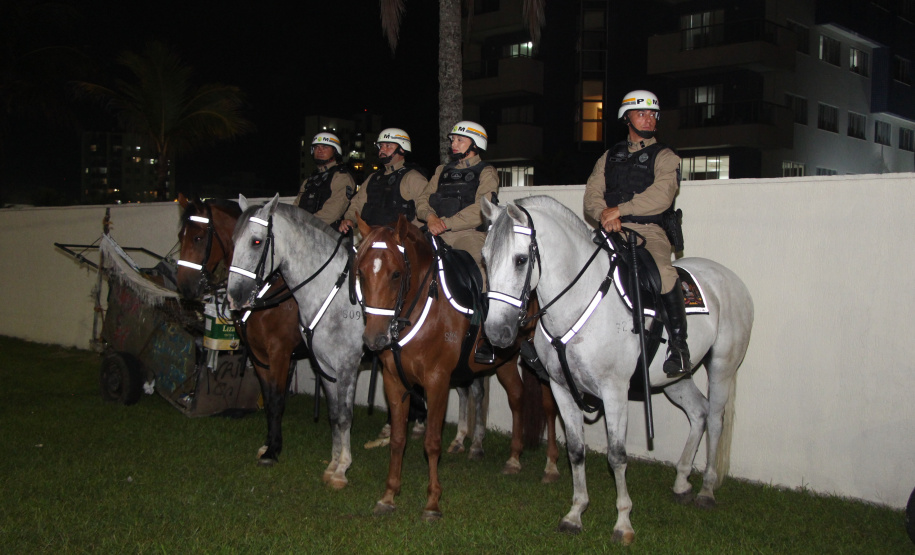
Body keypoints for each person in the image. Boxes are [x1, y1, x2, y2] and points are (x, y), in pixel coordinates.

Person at [583, 89, 690, 377]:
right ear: (626, 117)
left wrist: (620, 210)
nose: (649, 119)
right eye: (642, 113)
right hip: (610, 227)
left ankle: (679, 345)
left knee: (665, 272)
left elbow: (661, 197)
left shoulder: (666, 156)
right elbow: (592, 194)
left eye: (653, 114)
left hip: (649, 230)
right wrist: (604, 215)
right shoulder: (609, 156)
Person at [415, 120, 498, 364]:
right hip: (434, 229)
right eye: (453, 139)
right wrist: (430, 216)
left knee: (482, 271)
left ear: (476, 143)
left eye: (459, 140)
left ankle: (485, 336)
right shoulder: (441, 170)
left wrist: (447, 223)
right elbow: (422, 199)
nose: (454, 143)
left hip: (468, 233)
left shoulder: (487, 171)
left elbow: (482, 208)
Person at [338, 128, 428, 232]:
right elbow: (357, 203)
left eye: (388, 146)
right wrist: (350, 219)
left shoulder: (412, 177)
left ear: (402, 149)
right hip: (372, 236)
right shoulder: (373, 177)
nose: (382, 150)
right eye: (381, 146)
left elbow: (425, 207)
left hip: (400, 240)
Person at [294, 132, 356, 227]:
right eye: (316, 147)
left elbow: (335, 209)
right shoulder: (310, 179)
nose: (319, 151)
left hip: (328, 233)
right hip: (305, 229)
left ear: (335, 151)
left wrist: (306, 224)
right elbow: (296, 205)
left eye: (325, 147)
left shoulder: (341, 176)